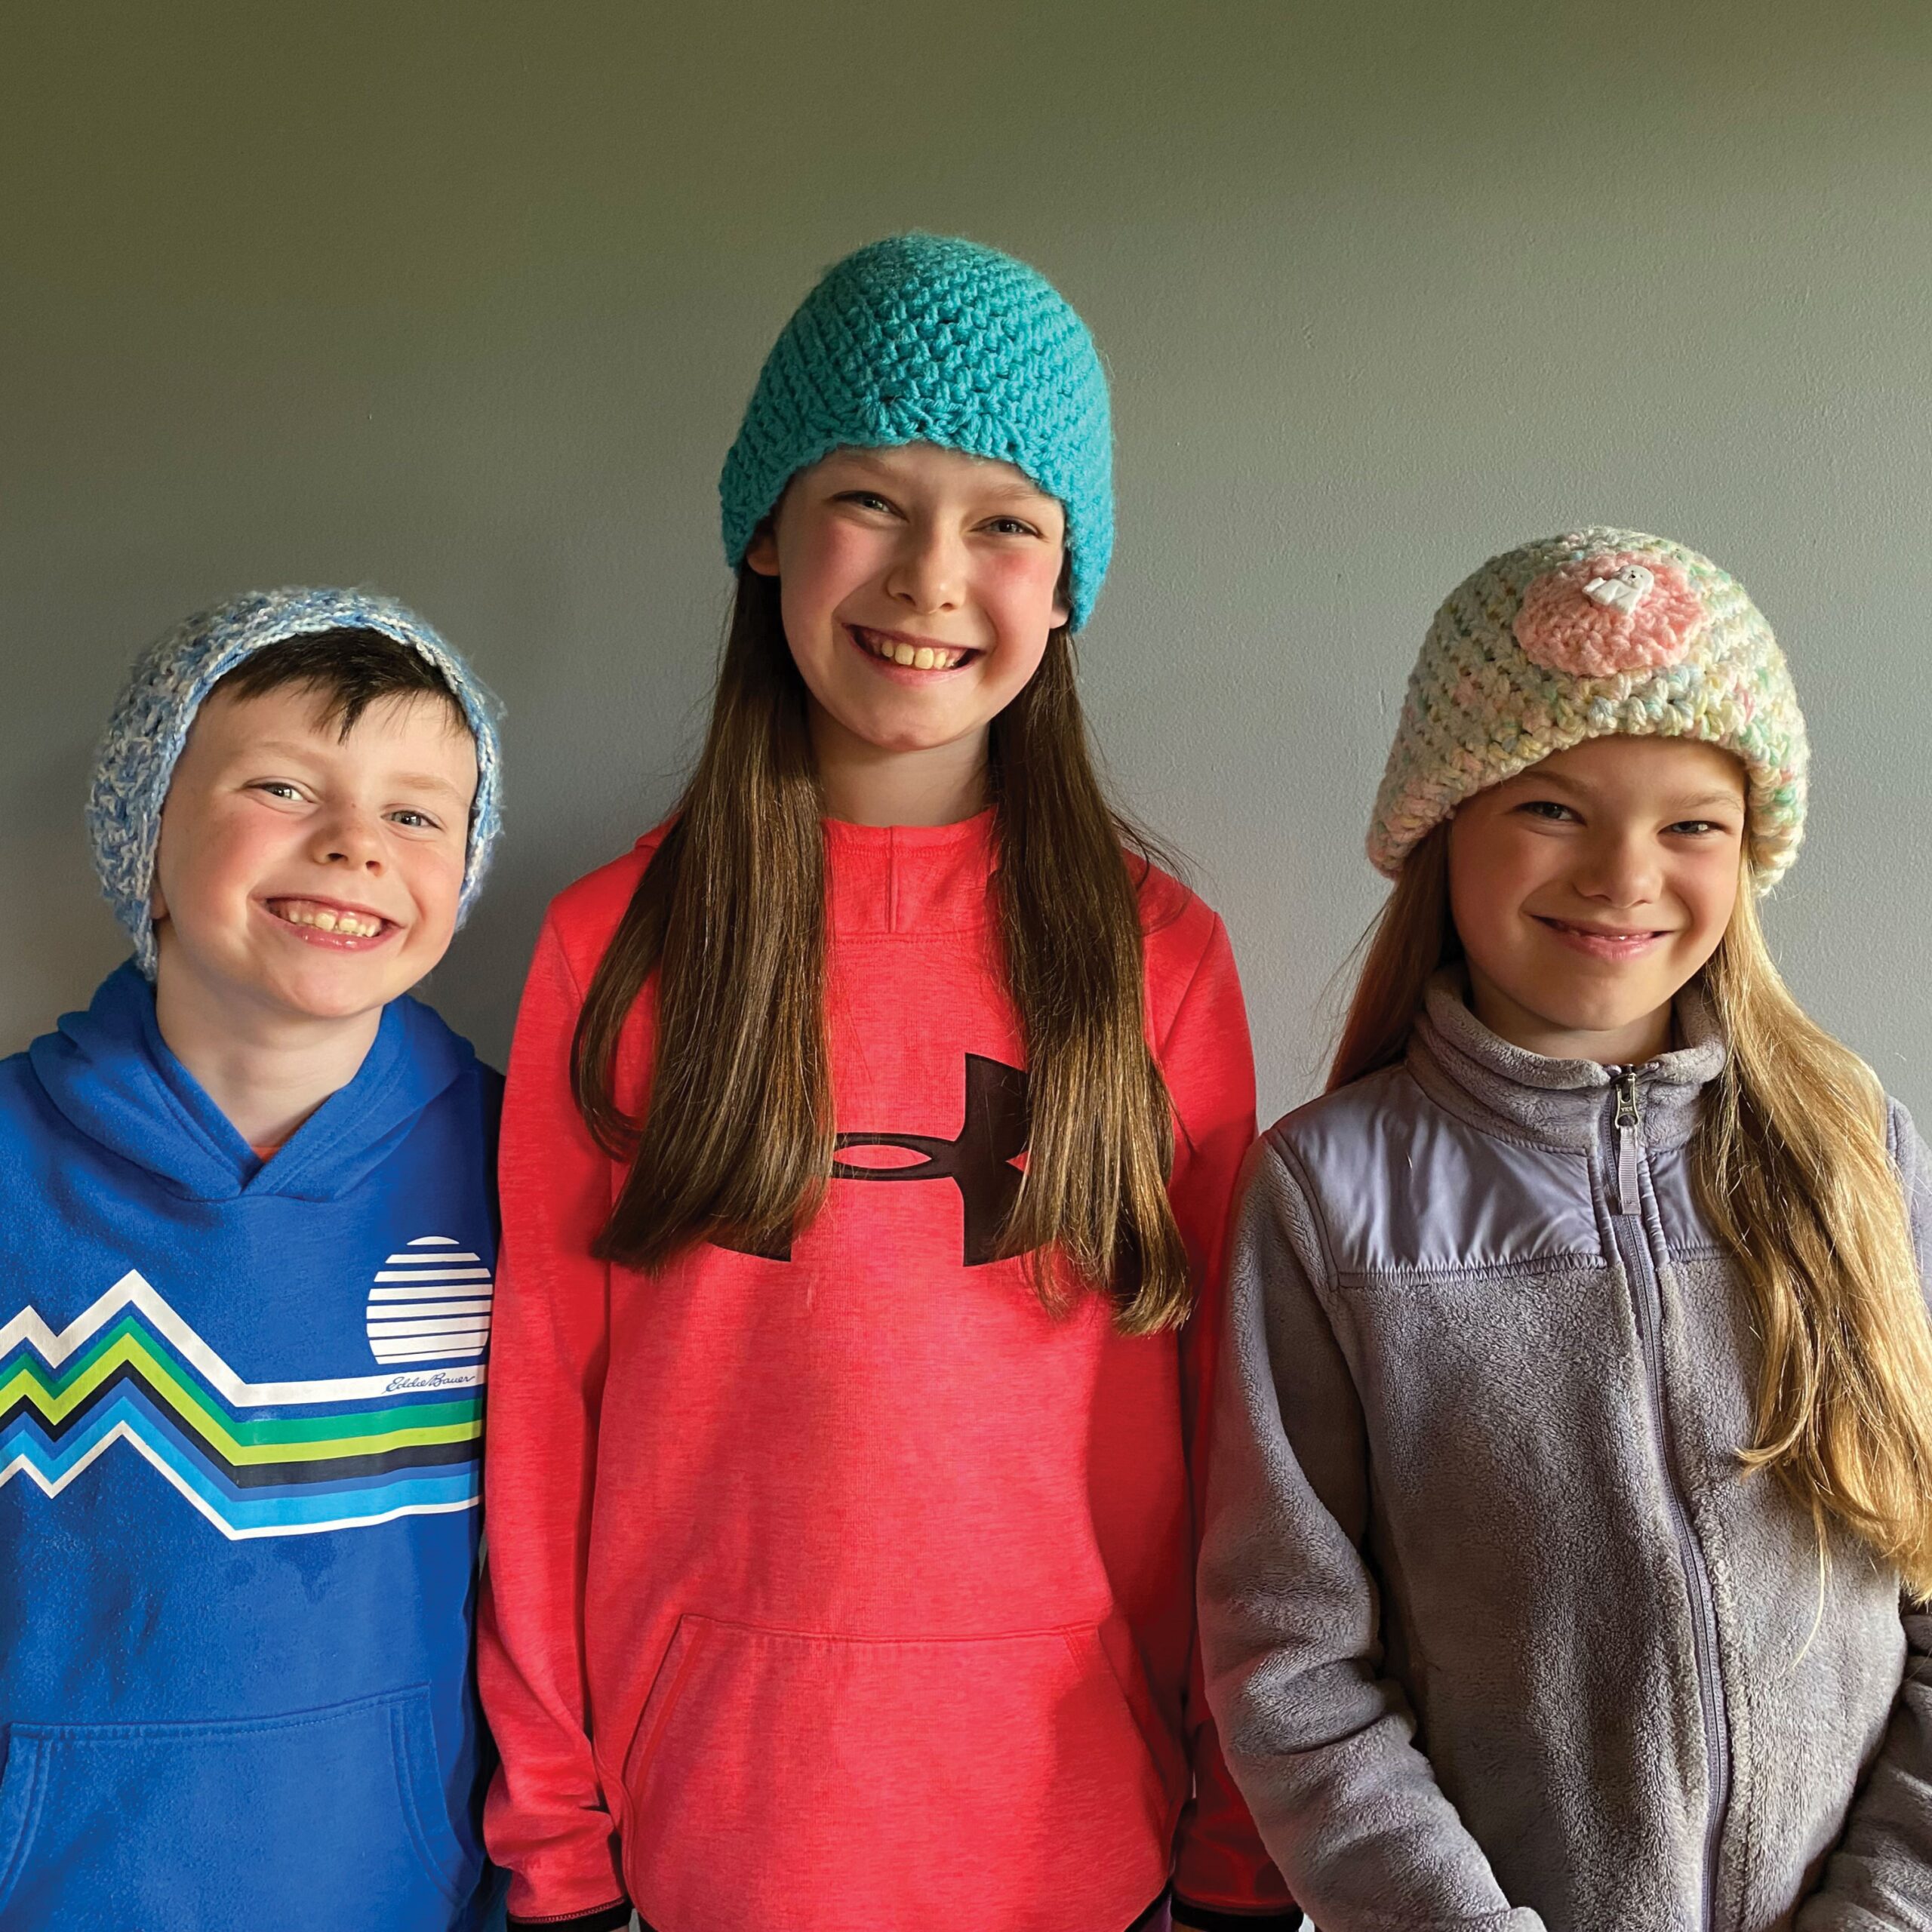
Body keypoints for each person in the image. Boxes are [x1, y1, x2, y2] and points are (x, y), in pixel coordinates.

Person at [478, 234, 1295, 1932]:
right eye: (869, 497)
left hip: (1083, 1838)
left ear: (1065, 583)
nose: (932, 577)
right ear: (765, 529)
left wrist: (1239, 1836)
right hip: (702, 1833)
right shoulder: (613, 944)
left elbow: (1240, 1420)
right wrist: (553, 1845)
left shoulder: (1159, 957)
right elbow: (542, 1413)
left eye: (1005, 521)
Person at [1198, 529, 1932, 1930]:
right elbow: (1290, 1660)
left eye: (1690, 824)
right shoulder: (1326, 1196)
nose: (1623, 876)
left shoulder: (1860, 1154)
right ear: (1442, 825)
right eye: (1552, 807)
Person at [0, 589, 508, 1930]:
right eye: (283, 786)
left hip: (401, 1889)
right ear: (148, 833)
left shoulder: (528, 1168)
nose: (353, 847)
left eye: (415, 813)